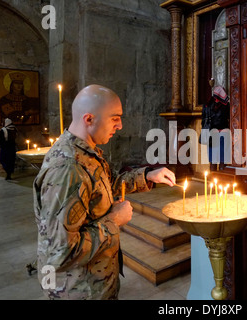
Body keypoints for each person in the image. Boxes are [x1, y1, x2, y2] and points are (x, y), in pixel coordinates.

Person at [33, 84, 176, 300]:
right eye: (114, 118)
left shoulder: (85, 152)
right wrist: (113, 221)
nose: (120, 125)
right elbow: (61, 252)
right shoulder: (67, 169)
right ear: (89, 119)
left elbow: (104, 188)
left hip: (95, 282)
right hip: (77, 289)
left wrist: (146, 175)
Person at [201, 85, 230, 171]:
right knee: (222, 160)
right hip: (223, 134)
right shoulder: (226, 105)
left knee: (212, 161)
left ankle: (212, 181)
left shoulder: (206, 105)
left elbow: (203, 119)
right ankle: (221, 181)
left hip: (211, 134)